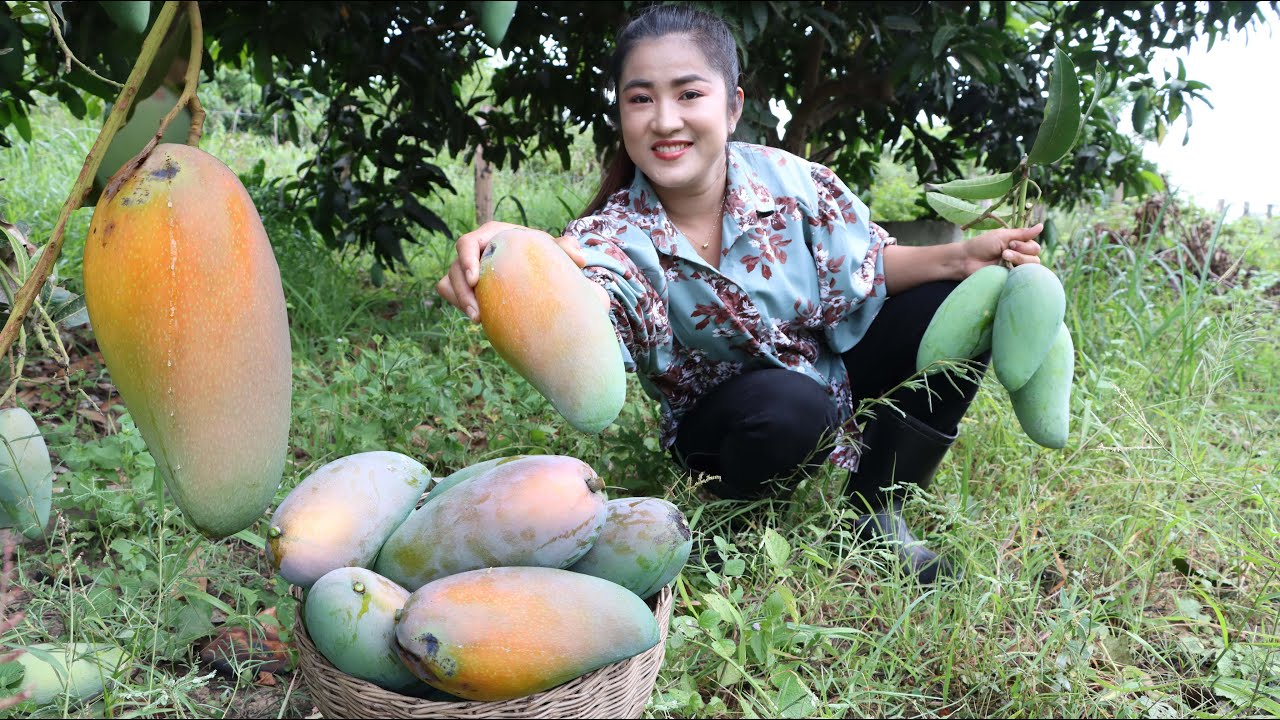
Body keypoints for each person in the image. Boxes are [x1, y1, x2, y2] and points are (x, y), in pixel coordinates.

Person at [437, 4, 1043, 585]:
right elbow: (591, 291)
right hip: (730, 423)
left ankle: (874, 515)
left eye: (689, 93)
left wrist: (964, 258)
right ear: (621, 115)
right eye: (640, 98)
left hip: (828, 377)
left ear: (732, 107)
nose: (665, 120)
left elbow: (863, 262)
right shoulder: (613, 233)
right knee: (796, 409)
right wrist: (515, 262)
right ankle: (741, 512)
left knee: (964, 302)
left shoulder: (789, 181)